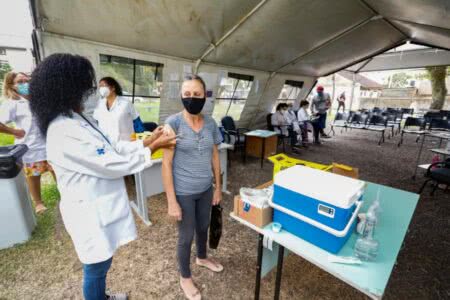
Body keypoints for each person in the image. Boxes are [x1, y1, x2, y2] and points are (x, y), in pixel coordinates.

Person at [28, 53, 176, 300]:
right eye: (85, 86)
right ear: (67, 88)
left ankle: (102, 296)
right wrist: (153, 148)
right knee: (95, 268)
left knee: (102, 262)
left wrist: (147, 140)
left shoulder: (77, 118)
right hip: (88, 212)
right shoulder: (64, 130)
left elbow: (111, 146)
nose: (91, 91)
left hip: (98, 206)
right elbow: (112, 163)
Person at [162, 75, 223, 300]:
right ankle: (185, 277)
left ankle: (202, 257)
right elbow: (166, 164)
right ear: (181, 96)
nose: (192, 98)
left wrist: (218, 187)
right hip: (184, 192)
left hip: (206, 189)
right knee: (185, 236)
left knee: (204, 226)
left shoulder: (211, 123)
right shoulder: (173, 124)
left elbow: (215, 156)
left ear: (205, 96)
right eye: (187, 94)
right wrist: (171, 201)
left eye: (197, 94)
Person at [0, 71, 55, 214]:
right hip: (31, 147)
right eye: (20, 82)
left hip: (50, 144)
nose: (26, 84)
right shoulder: (12, 104)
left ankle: (68, 196)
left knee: (58, 171)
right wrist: (14, 132)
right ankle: (38, 203)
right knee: (34, 175)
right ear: (12, 86)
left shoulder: (38, 99)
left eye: (27, 80)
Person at [93, 77, 145, 143]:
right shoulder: (100, 103)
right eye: (100, 87)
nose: (101, 89)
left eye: (103, 86)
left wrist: (137, 140)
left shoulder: (126, 103)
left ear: (113, 88)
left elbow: (137, 122)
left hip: (126, 142)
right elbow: (96, 122)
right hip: (107, 143)